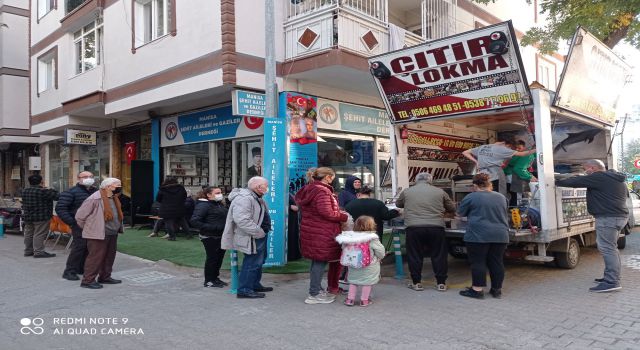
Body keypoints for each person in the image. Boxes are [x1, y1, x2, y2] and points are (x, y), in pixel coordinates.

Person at [556, 159, 629, 293]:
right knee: (611, 248)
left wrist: (555, 181)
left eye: (586, 169)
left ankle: (612, 281)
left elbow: (574, 182)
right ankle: (611, 277)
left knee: (608, 249)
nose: (586, 172)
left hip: (608, 218)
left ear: (592, 168)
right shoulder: (616, 178)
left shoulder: (598, 177)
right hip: (619, 217)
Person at [295, 167, 349, 304]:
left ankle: (317, 289)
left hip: (314, 231)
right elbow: (327, 213)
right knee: (320, 261)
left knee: (317, 261)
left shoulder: (311, 188)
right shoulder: (322, 191)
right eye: (333, 177)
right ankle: (314, 294)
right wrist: (344, 217)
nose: (333, 180)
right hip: (322, 232)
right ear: (327, 177)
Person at [396, 172, 456, 292]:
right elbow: (452, 208)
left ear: (416, 180)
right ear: (430, 180)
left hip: (414, 227)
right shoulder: (440, 191)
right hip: (436, 227)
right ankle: (441, 283)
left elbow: (398, 204)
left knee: (415, 255)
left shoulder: (407, 191)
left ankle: (416, 283)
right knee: (439, 255)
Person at [456, 174, 509, 299]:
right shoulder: (501, 197)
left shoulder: (471, 197)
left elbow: (460, 214)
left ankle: (477, 290)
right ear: (489, 184)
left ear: (475, 185)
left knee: (478, 262)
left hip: (478, 235)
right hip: (500, 234)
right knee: (496, 262)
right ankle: (496, 290)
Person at [221, 177, 273, 298]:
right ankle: (244, 289)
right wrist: (258, 232)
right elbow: (242, 220)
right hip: (252, 236)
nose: (267, 187)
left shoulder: (255, 197)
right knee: (252, 262)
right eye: (266, 185)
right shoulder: (245, 199)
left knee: (259, 261)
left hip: (257, 235)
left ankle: (254, 284)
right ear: (257, 187)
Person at [75, 178, 124, 289]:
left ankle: (105, 277)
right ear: (108, 186)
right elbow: (80, 216)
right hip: (98, 233)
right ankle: (88, 281)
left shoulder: (114, 197)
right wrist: (91, 228)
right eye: (117, 185)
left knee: (109, 256)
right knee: (95, 257)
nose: (120, 187)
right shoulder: (94, 198)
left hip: (112, 232)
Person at [336, 216, 385, 307]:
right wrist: (380, 257)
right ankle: (364, 300)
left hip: (353, 264)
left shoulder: (349, 238)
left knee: (353, 281)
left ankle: (350, 299)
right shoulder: (372, 238)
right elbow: (380, 251)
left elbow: (344, 249)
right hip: (369, 265)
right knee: (367, 282)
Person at [462, 135, 536, 196]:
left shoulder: (483, 147)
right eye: (510, 147)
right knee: (500, 194)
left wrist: (476, 161)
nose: (510, 149)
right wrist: (537, 149)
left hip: (483, 174)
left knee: (485, 193)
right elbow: (523, 154)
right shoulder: (502, 149)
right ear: (507, 144)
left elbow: (465, 152)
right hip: (495, 174)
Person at [58, 171, 98, 280]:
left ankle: (81, 268)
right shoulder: (71, 192)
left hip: (93, 225)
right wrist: (72, 222)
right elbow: (61, 208)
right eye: (85, 176)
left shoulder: (96, 191)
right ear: (78, 178)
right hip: (78, 225)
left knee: (88, 247)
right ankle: (69, 271)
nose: (88, 178)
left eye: (90, 176)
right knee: (79, 247)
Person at [190, 186, 229, 288]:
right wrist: (213, 227)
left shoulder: (219, 204)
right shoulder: (203, 205)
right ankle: (209, 280)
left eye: (220, 192)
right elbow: (194, 221)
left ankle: (215, 278)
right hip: (210, 236)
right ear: (208, 195)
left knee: (219, 258)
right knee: (212, 258)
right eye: (217, 193)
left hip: (220, 236)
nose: (220, 194)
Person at [21, 174, 59, 258]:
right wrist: (51, 189)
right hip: (41, 216)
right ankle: (38, 252)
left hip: (28, 216)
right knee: (39, 234)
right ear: (41, 181)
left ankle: (28, 251)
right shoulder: (44, 191)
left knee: (28, 233)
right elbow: (57, 196)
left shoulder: (25, 191)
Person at [503, 140, 537, 207]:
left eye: (519, 148)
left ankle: (513, 210)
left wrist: (530, 175)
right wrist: (530, 177)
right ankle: (516, 211)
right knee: (516, 197)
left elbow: (522, 168)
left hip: (507, 175)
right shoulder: (529, 155)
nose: (517, 150)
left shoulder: (523, 154)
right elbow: (518, 169)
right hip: (512, 176)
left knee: (512, 196)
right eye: (516, 148)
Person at [156, 177, 190, 241]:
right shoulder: (181, 188)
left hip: (166, 209)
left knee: (168, 223)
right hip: (179, 208)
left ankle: (172, 237)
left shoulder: (163, 189)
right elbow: (184, 196)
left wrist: (165, 203)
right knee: (182, 221)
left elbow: (158, 199)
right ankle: (188, 234)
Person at [287, 193, 302, 261]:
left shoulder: (288, 193)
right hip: (287, 218)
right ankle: (290, 256)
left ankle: (294, 255)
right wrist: (290, 207)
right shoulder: (279, 190)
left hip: (293, 218)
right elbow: (277, 203)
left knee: (293, 235)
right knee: (289, 235)